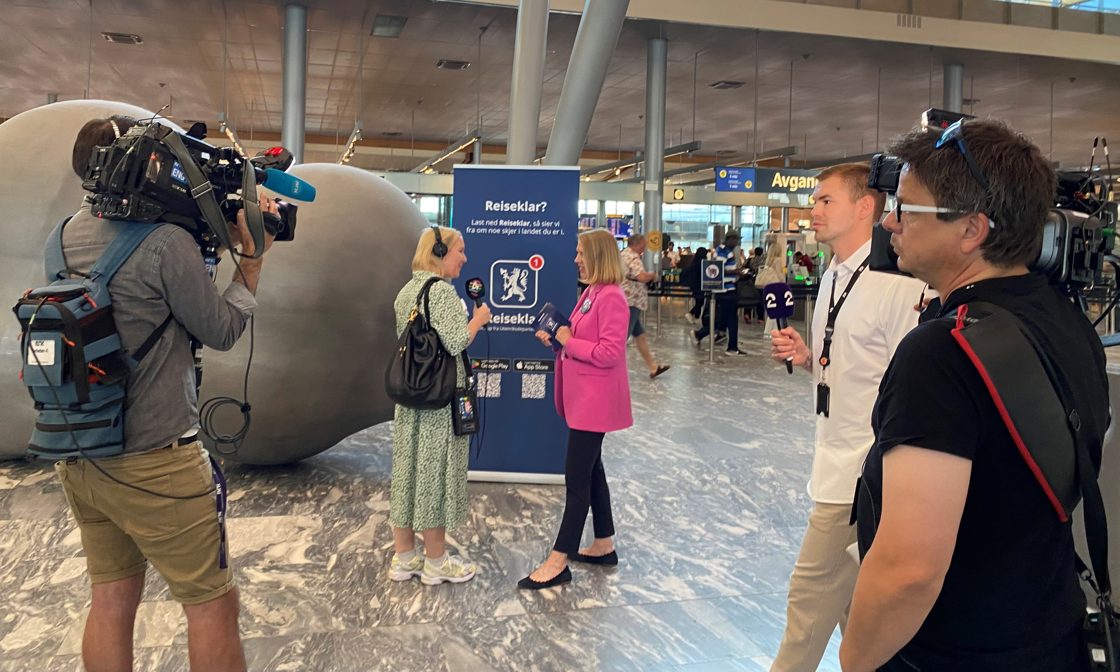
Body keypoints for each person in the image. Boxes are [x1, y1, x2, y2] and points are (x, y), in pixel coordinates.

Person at [840, 119, 1108, 671]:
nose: (888, 221)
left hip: (955, 652)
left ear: (970, 230)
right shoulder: (1066, 321)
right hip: (1049, 634)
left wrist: (856, 659)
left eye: (905, 208)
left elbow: (910, 568)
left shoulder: (943, 353)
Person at [53, 116, 276, 672]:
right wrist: (251, 260)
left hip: (81, 452)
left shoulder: (63, 235)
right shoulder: (165, 243)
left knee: (111, 598)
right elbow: (221, 329)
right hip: (156, 460)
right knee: (212, 605)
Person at [768, 163, 926, 672]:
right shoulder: (834, 275)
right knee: (853, 610)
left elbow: (911, 383)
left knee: (808, 596)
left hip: (862, 473)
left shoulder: (898, 286)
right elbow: (852, 365)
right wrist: (809, 358)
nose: (812, 211)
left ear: (864, 207)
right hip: (831, 460)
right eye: (814, 201)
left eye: (825, 201)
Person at [521, 228, 633, 590]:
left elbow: (609, 352)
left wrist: (568, 340)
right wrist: (558, 342)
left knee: (577, 478)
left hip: (595, 403)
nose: (575, 259)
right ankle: (604, 543)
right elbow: (579, 341)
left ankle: (559, 560)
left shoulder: (612, 297)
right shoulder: (591, 293)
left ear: (597, 255)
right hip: (583, 400)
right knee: (592, 469)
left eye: (581, 253)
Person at [389, 226, 492, 586]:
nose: (464, 258)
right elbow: (456, 341)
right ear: (439, 251)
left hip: (411, 398)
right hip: (440, 400)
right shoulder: (442, 292)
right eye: (459, 251)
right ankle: (436, 562)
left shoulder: (406, 291)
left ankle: (404, 557)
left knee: (407, 472)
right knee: (436, 474)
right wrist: (478, 320)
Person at [620, 234, 671, 379]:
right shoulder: (633, 257)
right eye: (643, 245)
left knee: (639, 334)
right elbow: (641, 276)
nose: (645, 248)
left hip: (625, 298)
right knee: (622, 337)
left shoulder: (622, 255)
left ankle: (653, 367)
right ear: (637, 244)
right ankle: (612, 369)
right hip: (632, 301)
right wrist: (652, 275)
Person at [691, 233, 748, 355]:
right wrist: (737, 272)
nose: (737, 243)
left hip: (726, 289)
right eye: (736, 240)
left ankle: (700, 334)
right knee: (731, 318)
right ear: (729, 239)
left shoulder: (725, 251)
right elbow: (717, 269)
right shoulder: (723, 251)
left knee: (724, 318)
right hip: (725, 290)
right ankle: (732, 347)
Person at [681, 246, 708, 324]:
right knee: (700, 302)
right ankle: (691, 314)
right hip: (700, 285)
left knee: (698, 301)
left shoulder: (694, 262)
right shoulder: (703, 262)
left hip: (694, 285)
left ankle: (696, 318)